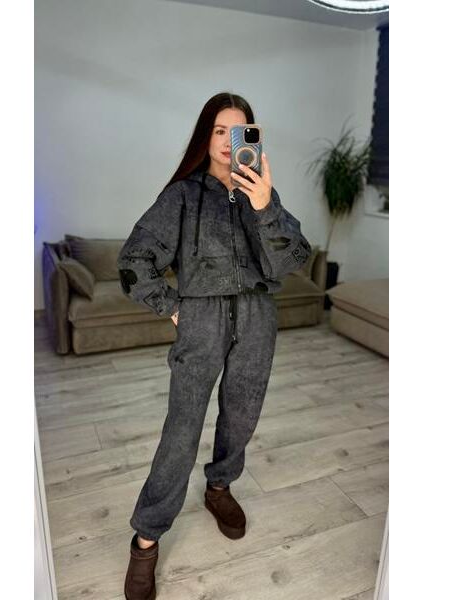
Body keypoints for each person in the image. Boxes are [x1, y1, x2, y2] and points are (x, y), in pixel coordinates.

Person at [118, 92, 312, 600]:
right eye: (219, 130)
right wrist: (172, 306)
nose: (228, 142)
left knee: (242, 415)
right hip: (201, 320)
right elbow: (134, 259)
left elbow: (294, 258)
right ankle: (145, 540)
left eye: (239, 131)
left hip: (258, 316)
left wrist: (265, 205)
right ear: (205, 136)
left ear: (253, 138)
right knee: (181, 431)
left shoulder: (261, 194)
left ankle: (220, 487)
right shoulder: (182, 196)